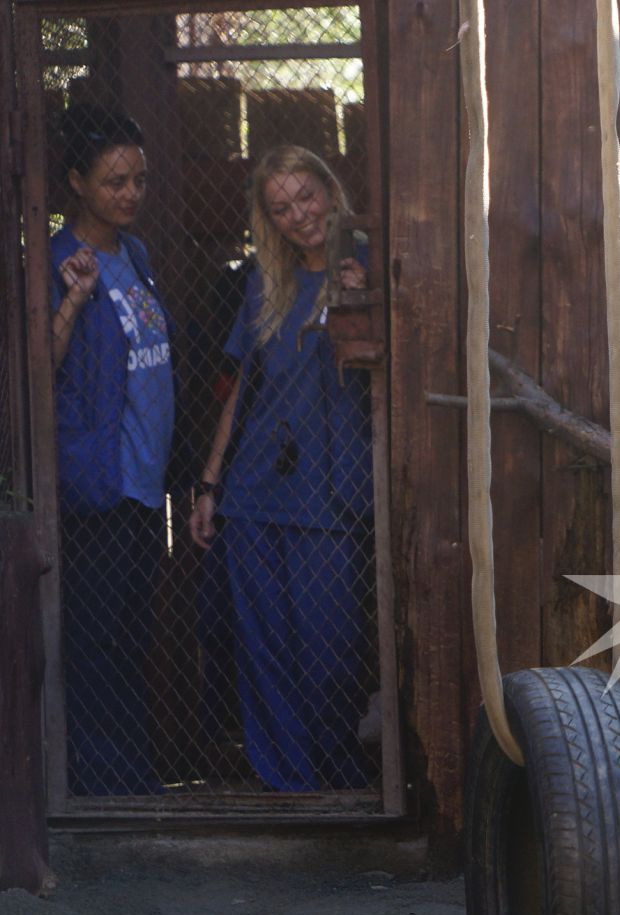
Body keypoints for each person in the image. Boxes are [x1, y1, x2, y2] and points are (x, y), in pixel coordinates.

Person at [188, 145, 374, 792]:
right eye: (281, 208)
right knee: (264, 651)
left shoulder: (369, 262)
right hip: (255, 491)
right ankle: (289, 784)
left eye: (306, 196)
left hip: (334, 493)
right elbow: (240, 389)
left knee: (332, 650)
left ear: (330, 189)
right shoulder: (267, 280)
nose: (299, 216)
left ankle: (341, 779)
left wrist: (364, 306)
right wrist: (211, 483)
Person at [49, 103, 173, 796]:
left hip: (142, 483)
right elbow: (41, 364)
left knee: (130, 638)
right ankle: (101, 785)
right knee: (96, 642)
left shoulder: (138, 254)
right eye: (114, 181)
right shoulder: (62, 259)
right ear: (77, 182)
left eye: (138, 179)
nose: (130, 193)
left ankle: (135, 776)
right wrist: (72, 300)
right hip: (99, 482)